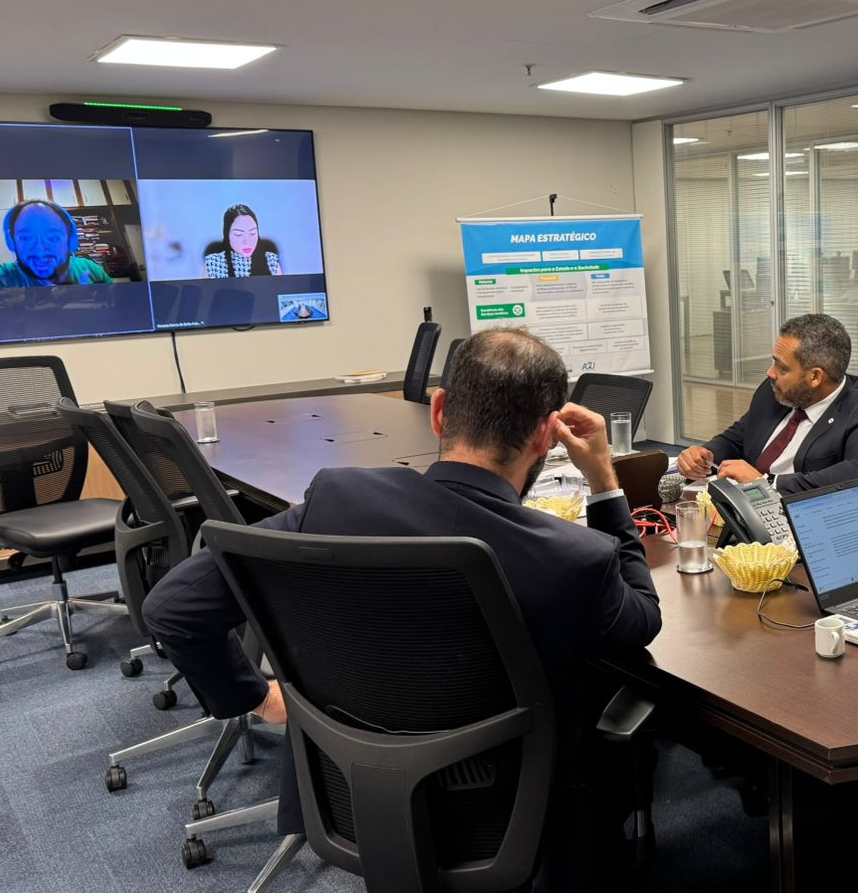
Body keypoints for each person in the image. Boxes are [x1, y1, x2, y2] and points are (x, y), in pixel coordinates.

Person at [141, 327, 661, 891]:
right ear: (545, 437)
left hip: (353, 794)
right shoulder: (573, 558)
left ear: (438, 412)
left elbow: (173, 607)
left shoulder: (335, 502)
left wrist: (257, 698)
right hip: (516, 822)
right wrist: (604, 480)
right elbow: (641, 619)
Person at [677, 313, 858, 494]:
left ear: (815, 377)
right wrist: (705, 455)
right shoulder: (776, 391)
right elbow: (738, 438)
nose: (770, 373)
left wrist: (766, 483)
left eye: (782, 368)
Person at [0, 200, 112, 288]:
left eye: (53, 238)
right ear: (12, 242)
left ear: (70, 240)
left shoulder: (91, 270)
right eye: (25, 238)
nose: (40, 251)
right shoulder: (2, 278)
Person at [203, 203, 283, 278]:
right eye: (238, 234)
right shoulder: (213, 263)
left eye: (252, 233)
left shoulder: (271, 260)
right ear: (227, 235)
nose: (247, 241)